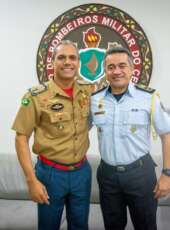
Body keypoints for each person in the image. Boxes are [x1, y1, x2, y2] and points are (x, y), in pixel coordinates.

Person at [12, 40, 93, 230]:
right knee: (48, 226)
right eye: (61, 57)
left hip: (82, 172)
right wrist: (32, 180)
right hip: (50, 174)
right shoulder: (35, 96)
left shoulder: (87, 91)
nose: (67, 62)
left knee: (80, 225)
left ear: (78, 63)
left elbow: (88, 122)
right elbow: (21, 137)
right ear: (53, 62)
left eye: (72, 58)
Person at [90, 46, 170, 230]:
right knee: (112, 226)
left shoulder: (149, 98)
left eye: (122, 65)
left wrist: (167, 174)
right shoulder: (95, 100)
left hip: (140, 175)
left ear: (131, 69)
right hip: (107, 175)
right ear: (105, 71)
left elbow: (167, 134)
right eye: (110, 67)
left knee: (146, 226)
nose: (116, 71)